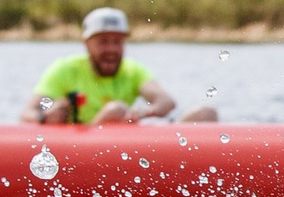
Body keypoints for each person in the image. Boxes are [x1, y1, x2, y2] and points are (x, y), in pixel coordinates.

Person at [22, 8, 219, 126]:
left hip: (124, 143)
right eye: (103, 41)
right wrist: (44, 116)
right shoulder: (65, 69)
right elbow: (26, 114)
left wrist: (141, 113)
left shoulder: (132, 70)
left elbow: (166, 102)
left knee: (206, 113)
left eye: (117, 42)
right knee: (115, 110)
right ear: (86, 43)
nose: (111, 49)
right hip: (82, 147)